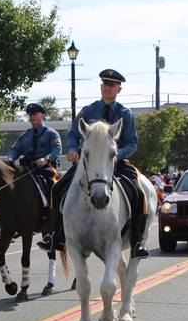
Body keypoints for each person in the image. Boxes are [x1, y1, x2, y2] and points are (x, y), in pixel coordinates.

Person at [39, 69, 149, 258]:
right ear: (101, 87)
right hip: (87, 164)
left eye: (112, 85)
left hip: (116, 163)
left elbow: (132, 143)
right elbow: (73, 134)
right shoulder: (88, 110)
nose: (107, 88)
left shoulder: (125, 114)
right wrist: (72, 149)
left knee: (139, 192)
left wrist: (116, 155)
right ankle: (55, 236)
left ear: (118, 90)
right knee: (57, 189)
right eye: (105, 84)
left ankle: (137, 241)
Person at [7, 102, 62, 194]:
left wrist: (45, 159)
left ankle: (53, 207)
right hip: (26, 168)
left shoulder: (51, 133)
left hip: (45, 167)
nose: (32, 116)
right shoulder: (24, 136)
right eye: (30, 114)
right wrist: (10, 159)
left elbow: (56, 150)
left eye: (35, 114)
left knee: (52, 182)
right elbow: (15, 150)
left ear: (42, 115)